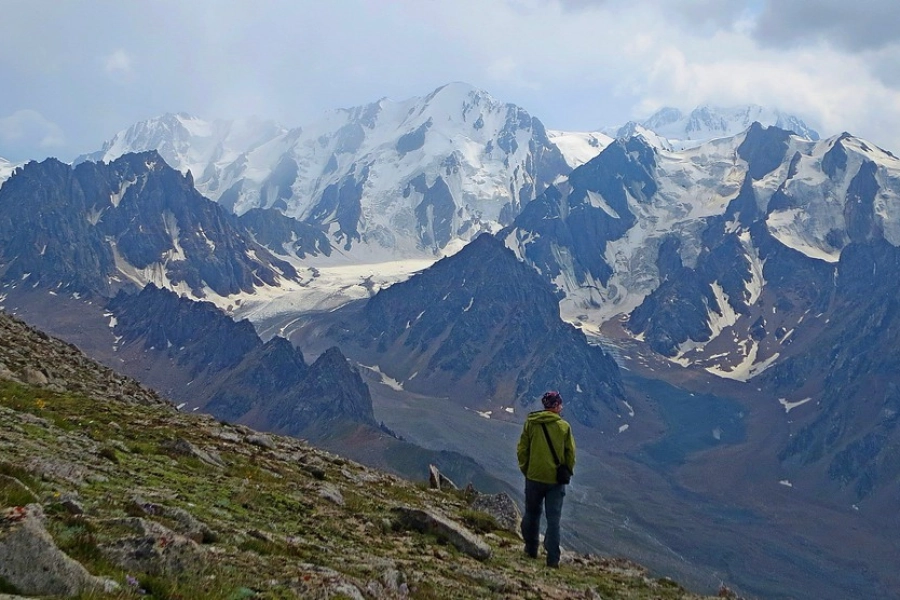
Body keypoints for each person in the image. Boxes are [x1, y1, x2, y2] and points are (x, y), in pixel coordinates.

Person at [516, 390, 576, 568]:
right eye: (560, 404)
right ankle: (552, 560)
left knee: (532, 514)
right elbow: (570, 455)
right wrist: (566, 472)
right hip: (555, 482)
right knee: (553, 520)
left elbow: (522, 449)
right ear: (556, 406)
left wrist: (526, 469)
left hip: (533, 477)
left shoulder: (531, 423)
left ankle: (531, 549)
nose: (561, 407)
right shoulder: (564, 427)